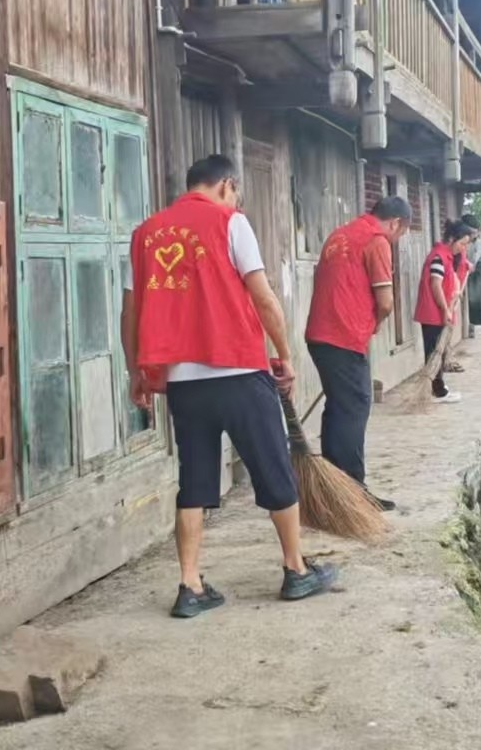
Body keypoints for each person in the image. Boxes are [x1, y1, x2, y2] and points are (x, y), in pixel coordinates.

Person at [121, 155, 337, 618]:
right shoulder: (230, 222)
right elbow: (262, 296)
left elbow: (131, 311)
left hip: (183, 383)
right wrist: (285, 354)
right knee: (274, 469)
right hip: (239, 370)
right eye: (236, 193)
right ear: (227, 185)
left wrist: (136, 371)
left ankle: (190, 585)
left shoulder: (145, 234)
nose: (236, 200)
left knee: (194, 481)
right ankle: (296, 569)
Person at [304, 196, 413, 510]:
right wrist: (373, 325)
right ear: (395, 223)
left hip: (320, 335)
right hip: (344, 336)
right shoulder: (376, 241)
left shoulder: (340, 235)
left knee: (339, 408)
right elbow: (386, 302)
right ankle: (353, 492)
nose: (397, 239)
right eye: (401, 233)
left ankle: (333, 488)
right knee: (354, 409)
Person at [414, 220, 475, 402]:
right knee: (434, 353)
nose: (463, 248)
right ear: (451, 239)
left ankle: (438, 388)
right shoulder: (438, 258)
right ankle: (438, 391)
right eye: (462, 243)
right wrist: (445, 309)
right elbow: (436, 285)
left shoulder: (447, 256)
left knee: (438, 352)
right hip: (433, 313)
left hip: (438, 312)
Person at [446, 213, 481, 372]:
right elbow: (451, 268)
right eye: (473, 232)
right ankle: (445, 360)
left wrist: (467, 264)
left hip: (457, 289)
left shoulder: (464, 244)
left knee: (450, 325)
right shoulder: (456, 244)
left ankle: (447, 358)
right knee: (446, 326)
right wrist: (455, 289)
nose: (475, 236)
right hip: (451, 291)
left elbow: (461, 261)